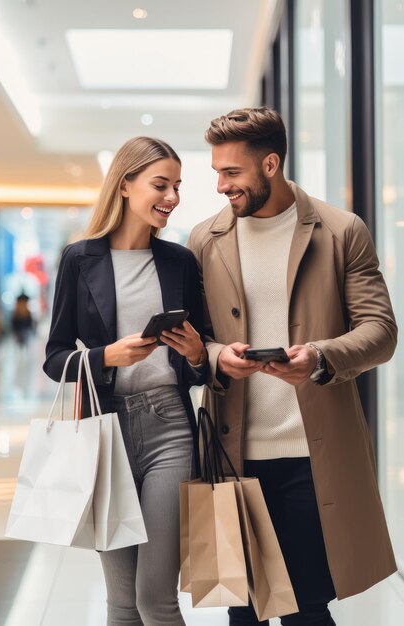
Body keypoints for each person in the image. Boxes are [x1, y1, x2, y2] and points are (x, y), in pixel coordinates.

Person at [187, 107, 397, 626]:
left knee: (306, 608)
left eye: (230, 173)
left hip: (312, 456)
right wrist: (216, 356)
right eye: (216, 172)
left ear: (271, 164)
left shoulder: (341, 231)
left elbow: (381, 331)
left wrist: (321, 358)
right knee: (244, 610)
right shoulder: (203, 241)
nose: (220, 186)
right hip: (234, 458)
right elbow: (197, 339)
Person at [43, 136, 208, 626]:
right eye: (161, 185)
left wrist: (198, 353)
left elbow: (203, 357)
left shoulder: (180, 262)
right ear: (125, 185)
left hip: (169, 429)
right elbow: (54, 359)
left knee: (155, 599)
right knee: (120, 603)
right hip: (104, 434)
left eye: (177, 186)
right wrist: (105, 356)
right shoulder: (80, 259)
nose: (172, 197)